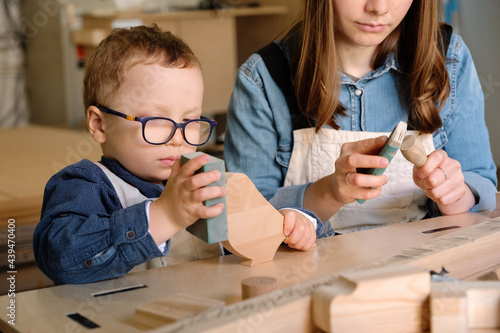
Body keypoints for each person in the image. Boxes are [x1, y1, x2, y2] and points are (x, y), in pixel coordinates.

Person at [34, 25, 322, 285]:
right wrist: (164, 215)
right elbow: (60, 257)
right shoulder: (86, 185)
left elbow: (252, 235)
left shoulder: (208, 184)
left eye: (190, 121)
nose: (178, 138)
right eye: (155, 121)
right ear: (99, 124)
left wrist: (286, 225)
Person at [224, 0, 498, 235]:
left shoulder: (449, 59)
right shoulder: (262, 80)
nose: (378, 8)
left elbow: (482, 186)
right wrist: (330, 192)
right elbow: (245, 225)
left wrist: (456, 194)